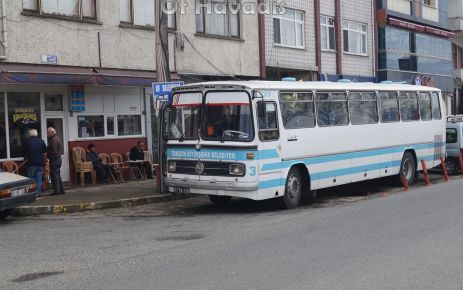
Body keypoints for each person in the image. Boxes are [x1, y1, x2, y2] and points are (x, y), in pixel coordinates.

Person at [23, 129, 47, 197]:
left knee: (31, 179)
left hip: (31, 163)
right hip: (40, 163)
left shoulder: (27, 142)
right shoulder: (41, 141)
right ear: (37, 134)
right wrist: (44, 162)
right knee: (39, 179)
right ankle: (38, 193)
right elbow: (45, 153)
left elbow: (24, 153)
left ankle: (31, 194)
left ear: (30, 134)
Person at [47, 127, 65, 195]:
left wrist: (49, 157)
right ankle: (62, 190)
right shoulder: (57, 138)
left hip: (54, 160)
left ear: (52, 132)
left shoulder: (53, 140)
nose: (47, 134)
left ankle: (56, 191)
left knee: (54, 176)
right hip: (58, 159)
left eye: (48, 132)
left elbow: (54, 151)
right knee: (57, 175)